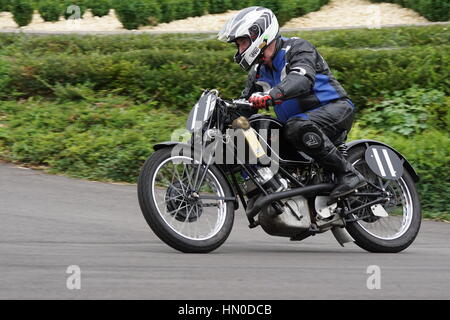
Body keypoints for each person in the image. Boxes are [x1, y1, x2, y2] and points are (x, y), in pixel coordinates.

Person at [217, 6, 366, 199]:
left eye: (243, 42)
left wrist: (271, 94)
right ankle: (273, 187)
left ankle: (349, 174)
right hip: (297, 125)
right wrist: (223, 115)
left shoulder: (297, 48)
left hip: (336, 110)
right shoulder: (258, 72)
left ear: (260, 33)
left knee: (297, 126)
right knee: (251, 130)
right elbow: (246, 105)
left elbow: (301, 78)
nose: (241, 50)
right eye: (238, 45)